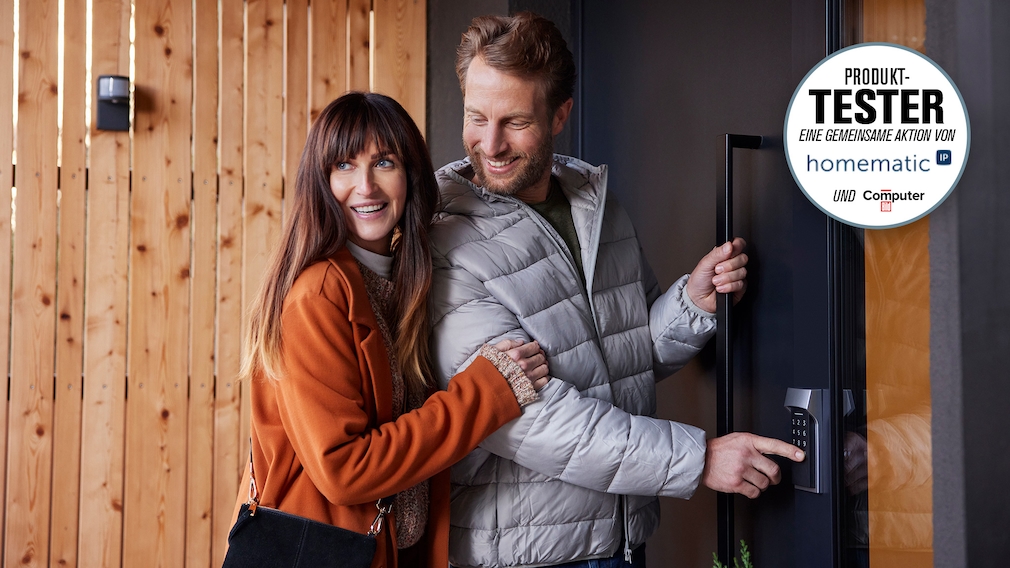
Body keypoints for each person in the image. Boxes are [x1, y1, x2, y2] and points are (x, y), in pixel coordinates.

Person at [427, 13, 805, 568]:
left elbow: (626, 356)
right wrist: (697, 459)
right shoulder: (444, 238)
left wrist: (690, 306)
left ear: (560, 115)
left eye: (515, 122)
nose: (491, 143)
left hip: (621, 541)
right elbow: (528, 420)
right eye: (476, 117)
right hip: (528, 555)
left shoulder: (596, 207)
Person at [235, 92, 551, 568]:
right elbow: (342, 469)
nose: (366, 186)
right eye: (344, 165)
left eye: (384, 162)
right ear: (321, 182)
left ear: (410, 176)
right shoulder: (319, 293)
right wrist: (486, 393)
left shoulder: (401, 282)